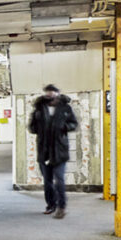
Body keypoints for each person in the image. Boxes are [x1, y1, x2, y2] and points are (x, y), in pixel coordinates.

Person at [28, 83, 79, 218]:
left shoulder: (65, 108)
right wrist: (39, 129)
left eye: (52, 92)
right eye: (48, 92)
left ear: (57, 93)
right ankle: (51, 205)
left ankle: (62, 206)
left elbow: (74, 124)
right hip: (44, 150)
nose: (50, 94)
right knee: (48, 182)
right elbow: (31, 127)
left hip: (59, 150)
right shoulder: (39, 108)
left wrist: (63, 127)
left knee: (59, 180)